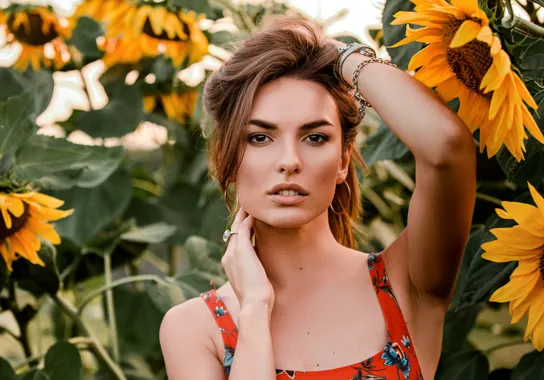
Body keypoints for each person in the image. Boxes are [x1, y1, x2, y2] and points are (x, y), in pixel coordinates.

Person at [159, 14, 476, 380]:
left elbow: (446, 147)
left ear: (343, 160)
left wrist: (333, 54)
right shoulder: (195, 331)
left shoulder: (407, 283)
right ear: (226, 160)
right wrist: (255, 310)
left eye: (315, 137)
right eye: (260, 137)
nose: (289, 162)